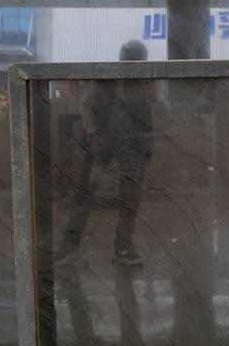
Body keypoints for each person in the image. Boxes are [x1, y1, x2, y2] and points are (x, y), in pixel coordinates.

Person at [55, 40, 166, 267]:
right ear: (123, 60)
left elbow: (165, 111)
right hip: (103, 143)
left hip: (134, 145)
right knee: (85, 193)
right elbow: (86, 105)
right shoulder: (107, 78)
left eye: (138, 61)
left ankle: (123, 247)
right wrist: (93, 134)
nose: (134, 65)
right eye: (131, 60)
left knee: (130, 199)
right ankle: (70, 245)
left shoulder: (150, 80)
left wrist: (156, 97)